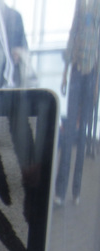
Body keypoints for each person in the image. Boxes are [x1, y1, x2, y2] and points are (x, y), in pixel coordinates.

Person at [55, 0, 100, 206]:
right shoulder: (80, 3)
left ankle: (76, 189)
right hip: (75, 72)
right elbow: (73, 33)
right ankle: (60, 191)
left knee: (82, 136)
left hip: (92, 76)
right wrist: (65, 74)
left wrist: (97, 84)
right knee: (70, 130)